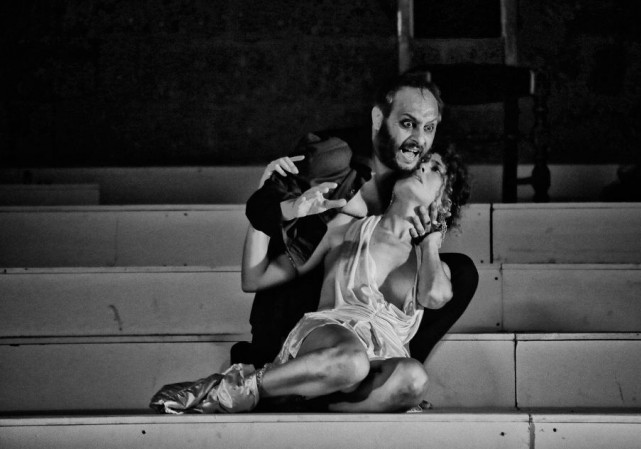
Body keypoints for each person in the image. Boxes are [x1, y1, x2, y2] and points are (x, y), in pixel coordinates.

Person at [150, 146, 470, 414]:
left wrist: (429, 243)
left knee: (414, 378)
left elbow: (435, 296)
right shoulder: (346, 227)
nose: (422, 166)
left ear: (444, 200)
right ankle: (227, 388)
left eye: (435, 169)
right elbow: (255, 277)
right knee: (352, 362)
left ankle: (296, 396)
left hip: (380, 361)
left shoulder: (432, 265)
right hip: (331, 337)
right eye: (423, 161)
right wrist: (267, 205)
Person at [232, 71, 479, 370]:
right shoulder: (331, 156)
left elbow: (430, 286)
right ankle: (278, 362)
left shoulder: (413, 172)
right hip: (304, 303)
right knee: (331, 248)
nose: (420, 139)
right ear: (378, 118)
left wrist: (431, 240)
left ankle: (392, 369)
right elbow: (265, 212)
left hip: (369, 317)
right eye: (407, 123)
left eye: (429, 128)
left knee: (461, 272)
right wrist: (274, 200)